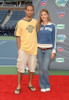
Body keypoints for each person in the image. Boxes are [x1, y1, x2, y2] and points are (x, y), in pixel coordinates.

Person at [14, 4, 37, 94]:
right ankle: (19, 85)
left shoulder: (35, 22)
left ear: (33, 11)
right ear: (25, 11)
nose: (29, 12)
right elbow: (18, 37)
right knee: (20, 69)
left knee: (31, 69)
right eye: (28, 10)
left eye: (31, 10)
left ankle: (30, 84)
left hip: (33, 50)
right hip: (23, 49)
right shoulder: (20, 22)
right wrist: (19, 49)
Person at [37, 9, 56, 92]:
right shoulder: (38, 25)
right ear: (40, 17)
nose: (43, 16)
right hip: (39, 50)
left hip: (48, 50)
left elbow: (54, 39)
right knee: (41, 69)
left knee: (45, 68)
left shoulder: (52, 26)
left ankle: (47, 84)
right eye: (42, 15)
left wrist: (54, 51)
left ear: (48, 15)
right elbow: (35, 39)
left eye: (45, 14)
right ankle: (42, 85)